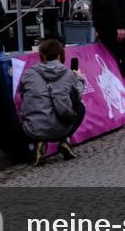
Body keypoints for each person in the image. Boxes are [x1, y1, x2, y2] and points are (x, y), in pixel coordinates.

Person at [17, 38, 83, 166]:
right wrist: (80, 80)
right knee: (80, 107)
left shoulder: (28, 73)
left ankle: (38, 143)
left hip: (33, 129)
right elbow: (77, 97)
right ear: (59, 55)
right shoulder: (69, 74)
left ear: (41, 55)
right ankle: (65, 140)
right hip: (61, 129)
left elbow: (22, 95)